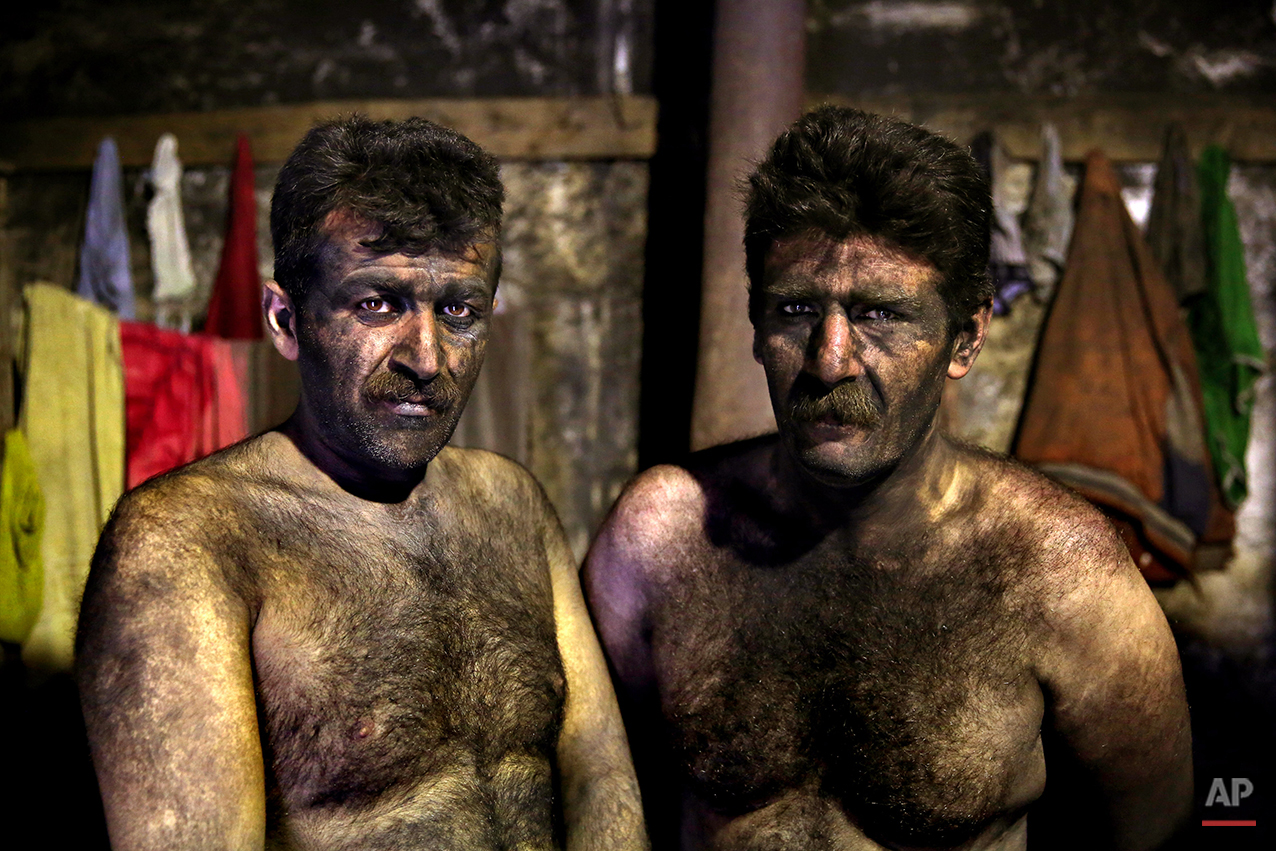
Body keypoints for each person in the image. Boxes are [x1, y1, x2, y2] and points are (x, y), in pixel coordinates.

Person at [584, 106, 1192, 851]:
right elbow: (600, 793)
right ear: (754, 320)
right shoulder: (663, 536)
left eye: (879, 314)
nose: (829, 359)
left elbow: (1156, 832)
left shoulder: (1061, 576)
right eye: (797, 309)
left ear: (964, 339)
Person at [76, 116, 647, 851]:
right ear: (287, 320)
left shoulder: (512, 507)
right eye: (377, 303)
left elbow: (599, 779)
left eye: (459, 312)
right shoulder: (186, 543)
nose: (426, 357)